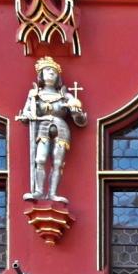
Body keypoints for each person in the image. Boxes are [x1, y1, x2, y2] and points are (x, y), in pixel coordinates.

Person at [16, 56, 87, 204]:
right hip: (42, 126)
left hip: (61, 127)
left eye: (54, 71)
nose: (51, 73)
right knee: (40, 159)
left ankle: (53, 193)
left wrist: (76, 111)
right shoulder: (34, 94)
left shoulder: (65, 95)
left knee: (57, 162)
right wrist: (27, 115)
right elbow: (25, 115)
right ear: (41, 74)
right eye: (47, 70)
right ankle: (39, 191)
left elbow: (79, 120)